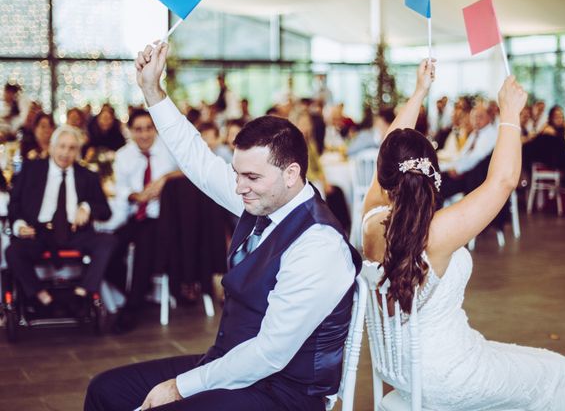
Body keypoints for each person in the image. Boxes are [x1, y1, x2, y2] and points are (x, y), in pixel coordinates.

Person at [85, 42, 361, 411]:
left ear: (291, 173)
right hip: (229, 365)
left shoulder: (319, 246)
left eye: (251, 176)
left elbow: (269, 355)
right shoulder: (262, 197)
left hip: (283, 394)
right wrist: (152, 90)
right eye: (236, 173)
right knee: (106, 390)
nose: (239, 186)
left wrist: (180, 387)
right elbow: (198, 160)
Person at [362, 59, 565, 410]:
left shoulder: (370, 220)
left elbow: (392, 146)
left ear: (383, 172)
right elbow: (504, 181)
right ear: (432, 173)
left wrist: (420, 91)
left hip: (404, 370)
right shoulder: (436, 233)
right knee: (564, 374)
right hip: (450, 373)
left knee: (533, 362)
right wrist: (509, 112)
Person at [6, 125, 116, 310]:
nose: (66, 152)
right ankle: (41, 296)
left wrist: (87, 207)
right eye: (62, 146)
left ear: (78, 151)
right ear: (52, 147)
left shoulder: (87, 175)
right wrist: (19, 226)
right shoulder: (31, 169)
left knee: (108, 242)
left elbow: (105, 211)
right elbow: (14, 204)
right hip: (39, 232)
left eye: (72, 148)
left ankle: (82, 292)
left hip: (75, 232)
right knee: (13, 252)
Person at [106, 108, 181, 333]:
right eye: (138, 130)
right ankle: (138, 292)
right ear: (130, 131)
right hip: (134, 214)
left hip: (163, 217)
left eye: (149, 128)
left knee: (144, 245)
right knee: (107, 248)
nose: (145, 134)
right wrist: (135, 195)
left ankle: (131, 310)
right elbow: (120, 187)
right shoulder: (123, 155)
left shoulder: (168, 150)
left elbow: (191, 170)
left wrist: (165, 179)